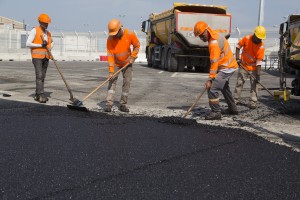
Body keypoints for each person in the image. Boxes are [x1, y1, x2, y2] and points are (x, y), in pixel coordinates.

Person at [194, 21, 238, 120]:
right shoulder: (215, 35)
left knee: (212, 88)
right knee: (224, 87)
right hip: (228, 66)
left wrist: (210, 79)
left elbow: (214, 62)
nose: (201, 38)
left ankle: (216, 112)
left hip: (227, 68)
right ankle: (233, 109)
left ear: (206, 30)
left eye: (202, 35)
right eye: (199, 37)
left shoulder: (214, 43)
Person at [104, 19, 140, 112]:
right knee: (112, 82)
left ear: (120, 28)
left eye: (116, 33)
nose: (114, 35)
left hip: (127, 63)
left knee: (127, 82)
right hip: (116, 63)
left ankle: (123, 104)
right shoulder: (110, 39)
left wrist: (133, 57)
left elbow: (137, 45)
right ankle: (109, 104)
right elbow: (110, 56)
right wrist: (111, 71)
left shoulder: (130, 34)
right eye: (113, 34)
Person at [233, 26, 266, 109]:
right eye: (258, 38)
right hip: (243, 65)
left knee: (254, 85)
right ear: (254, 34)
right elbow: (238, 47)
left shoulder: (261, 46)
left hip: (254, 68)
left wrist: (258, 75)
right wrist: (237, 59)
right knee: (239, 83)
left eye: (261, 38)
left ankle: (253, 102)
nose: (259, 40)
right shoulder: (246, 38)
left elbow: (259, 62)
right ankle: (235, 100)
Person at [26, 13, 53, 103]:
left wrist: (49, 48)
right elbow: (28, 43)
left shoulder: (48, 33)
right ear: (40, 22)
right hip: (37, 57)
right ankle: (40, 94)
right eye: (45, 23)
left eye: (47, 23)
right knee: (39, 76)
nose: (46, 24)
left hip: (46, 57)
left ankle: (38, 94)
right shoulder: (35, 30)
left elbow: (52, 42)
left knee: (43, 76)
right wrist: (41, 45)